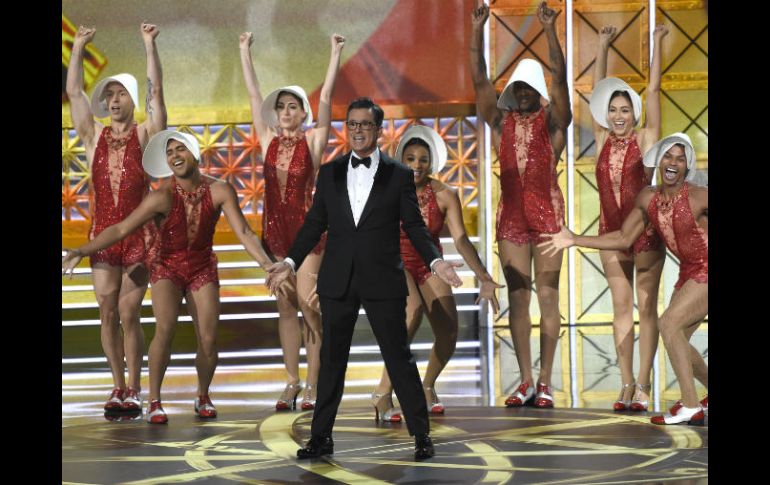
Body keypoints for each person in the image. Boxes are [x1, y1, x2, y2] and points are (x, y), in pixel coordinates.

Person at [266, 98, 464, 460]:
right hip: (338, 278)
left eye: (365, 125)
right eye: (352, 124)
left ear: (378, 130)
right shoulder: (330, 172)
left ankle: (421, 435)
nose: (357, 131)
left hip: (382, 277)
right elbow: (315, 223)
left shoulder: (398, 175)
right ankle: (321, 438)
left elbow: (415, 226)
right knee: (331, 360)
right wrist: (291, 262)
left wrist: (436, 262)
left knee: (398, 357)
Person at [63, 130, 286, 424]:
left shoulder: (221, 190)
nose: (175, 156)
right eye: (169, 152)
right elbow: (120, 229)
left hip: (202, 267)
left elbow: (244, 232)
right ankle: (154, 400)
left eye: (180, 149)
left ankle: (203, 395)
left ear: (194, 153)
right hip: (166, 267)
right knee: (165, 329)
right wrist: (81, 250)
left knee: (208, 338)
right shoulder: (161, 197)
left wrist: (268, 265)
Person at [538, 133, 708, 425]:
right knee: (677, 337)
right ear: (660, 161)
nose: (673, 163)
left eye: (680, 159)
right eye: (668, 156)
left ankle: (691, 405)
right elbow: (623, 238)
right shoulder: (648, 198)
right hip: (688, 272)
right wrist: (574, 239)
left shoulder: (699, 196)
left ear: (686, 166)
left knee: (668, 324)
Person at [470, 1, 571, 408]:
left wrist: (549, 30)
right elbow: (479, 80)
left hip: (547, 218)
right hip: (511, 219)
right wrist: (477, 31)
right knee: (518, 298)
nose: (525, 93)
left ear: (538, 92)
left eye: (531, 88)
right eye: (520, 88)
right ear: (513, 91)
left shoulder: (553, 123)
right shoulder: (501, 124)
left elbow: (560, 78)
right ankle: (526, 380)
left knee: (547, 297)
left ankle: (545, 381)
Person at [239, 31, 345, 411]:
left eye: (293, 106)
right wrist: (244, 51)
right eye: (281, 106)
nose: (285, 111)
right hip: (274, 237)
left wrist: (335, 52)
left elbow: (328, 97)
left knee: (308, 304)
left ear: (303, 114)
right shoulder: (268, 141)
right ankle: (292, 382)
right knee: (285, 309)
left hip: (309, 237)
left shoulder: (313, 142)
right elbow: (254, 96)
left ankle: (316, 382)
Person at [65, 22, 167, 412]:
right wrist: (77, 47)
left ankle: (136, 387)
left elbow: (157, 93)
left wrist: (149, 45)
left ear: (132, 100)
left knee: (128, 312)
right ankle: (117, 386)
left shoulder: (144, 134)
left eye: (120, 93)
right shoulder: (93, 138)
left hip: (140, 238)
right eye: (109, 94)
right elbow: (74, 92)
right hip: (104, 240)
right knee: (107, 313)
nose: (113, 100)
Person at [371, 125, 503, 421]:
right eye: (410, 159)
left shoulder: (445, 195)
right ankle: (382, 392)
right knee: (412, 312)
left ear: (431, 162)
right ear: (401, 160)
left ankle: (427, 386)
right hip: (393, 261)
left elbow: (461, 240)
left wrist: (483, 276)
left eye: (423, 159)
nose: (416, 165)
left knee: (449, 331)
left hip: (430, 264)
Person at [590, 24, 669, 411]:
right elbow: (596, 89)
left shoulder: (647, 138)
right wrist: (602, 46)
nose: (618, 116)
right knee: (621, 309)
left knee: (646, 308)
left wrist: (655, 44)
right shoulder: (601, 139)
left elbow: (653, 91)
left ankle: (643, 384)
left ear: (634, 113)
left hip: (646, 233)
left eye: (624, 110)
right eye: (613, 110)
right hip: (610, 232)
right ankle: (624, 384)